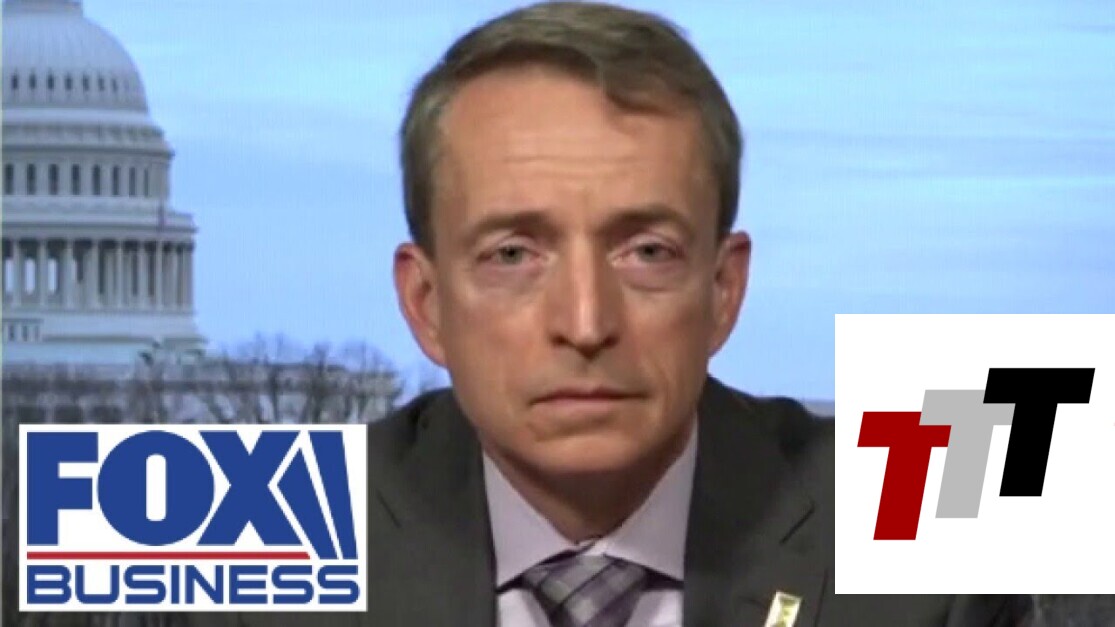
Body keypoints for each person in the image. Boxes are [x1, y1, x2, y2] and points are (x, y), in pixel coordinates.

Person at [209, 2, 1030, 625]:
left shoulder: (934, 515)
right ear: (426, 305)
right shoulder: (242, 538)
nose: (585, 321)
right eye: (512, 254)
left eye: (645, 251)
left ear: (722, 290)